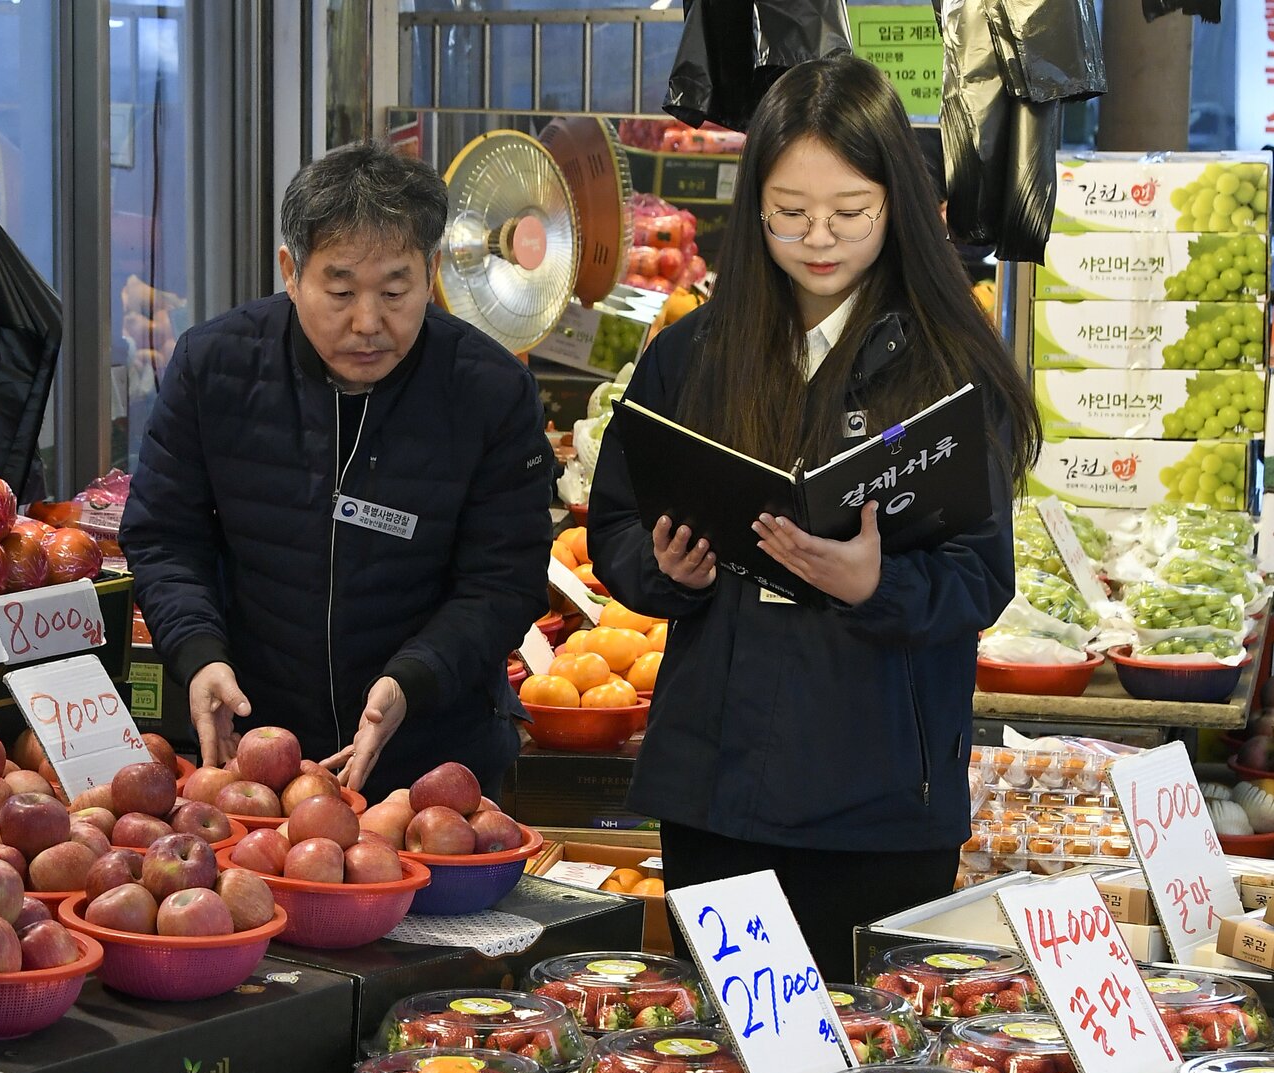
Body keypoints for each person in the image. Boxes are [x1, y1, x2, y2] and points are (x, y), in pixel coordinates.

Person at [587, 56, 1041, 981]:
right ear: (755, 208)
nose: (818, 236)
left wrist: (877, 583)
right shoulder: (691, 356)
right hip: (715, 789)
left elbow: (980, 577)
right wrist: (663, 570)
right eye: (791, 212)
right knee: (724, 1067)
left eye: (849, 211)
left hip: (879, 800)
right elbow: (618, 527)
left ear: (898, 206)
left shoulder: (949, 369)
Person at [120, 142, 553, 792]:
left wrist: (413, 678)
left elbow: (504, 579)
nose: (368, 322)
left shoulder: (489, 390)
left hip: (435, 761)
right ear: (292, 272)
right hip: (256, 755)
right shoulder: (216, 369)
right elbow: (165, 537)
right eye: (341, 290)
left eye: (396, 291)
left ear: (430, 270)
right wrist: (198, 655)